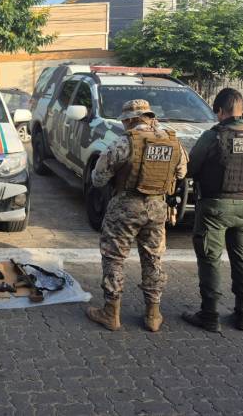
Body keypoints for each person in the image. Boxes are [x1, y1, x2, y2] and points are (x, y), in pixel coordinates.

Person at [86, 99, 187, 332]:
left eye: (124, 121)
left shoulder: (124, 142)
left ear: (131, 119)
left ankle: (111, 312)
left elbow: (98, 178)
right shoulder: (172, 141)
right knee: (153, 258)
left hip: (125, 207)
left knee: (114, 257)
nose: (123, 125)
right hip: (157, 207)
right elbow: (182, 172)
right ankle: (153, 314)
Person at [182, 88, 243, 332]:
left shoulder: (213, 136)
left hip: (215, 208)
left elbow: (190, 168)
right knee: (242, 258)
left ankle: (209, 315)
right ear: (241, 109)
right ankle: (242, 315)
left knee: (210, 259)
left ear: (221, 111)